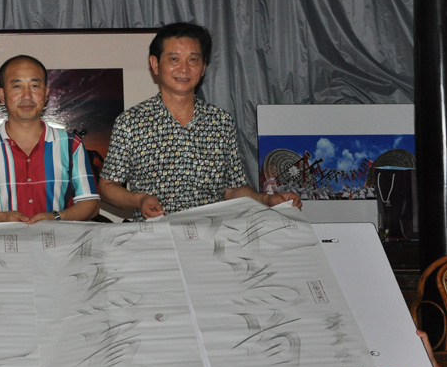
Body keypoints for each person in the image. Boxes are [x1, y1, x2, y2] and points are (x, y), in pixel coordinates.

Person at [98, 22, 301, 219]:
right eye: (174, 59)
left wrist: (266, 199)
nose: (184, 69)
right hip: (156, 236)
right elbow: (107, 187)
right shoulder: (131, 122)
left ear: (203, 67)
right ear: (155, 64)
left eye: (193, 60)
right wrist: (139, 199)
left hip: (212, 235)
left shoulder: (220, 122)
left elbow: (233, 189)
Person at [0, 54, 100, 224]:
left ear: (46, 94)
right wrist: (1, 218)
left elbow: (91, 204)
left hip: (58, 241)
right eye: (17, 86)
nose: (27, 95)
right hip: (0, 241)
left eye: (34, 86)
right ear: (2, 95)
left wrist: (56, 217)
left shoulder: (71, 145)